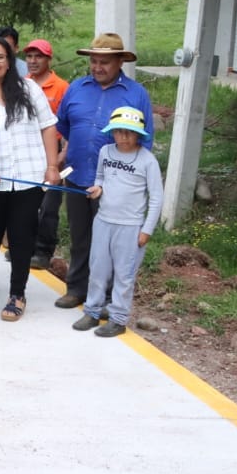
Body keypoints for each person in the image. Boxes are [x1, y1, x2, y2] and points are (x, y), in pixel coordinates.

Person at [55, 33, 154, 310]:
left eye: (105, 63)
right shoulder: (76, 88)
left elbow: (145, 142)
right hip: (76, 177)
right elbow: (63, 126)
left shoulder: (135, 94)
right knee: (79, 237)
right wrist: (60, 156)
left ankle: (109, 297)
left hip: (114, 184)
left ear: (120, 61)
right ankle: (76, 288)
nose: (97, 67)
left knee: (110, 244)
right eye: (94, 61)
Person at [0, 37, 59, 322]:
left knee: (22, 238)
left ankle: (17, 293)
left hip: (29, 178)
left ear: (9, 61)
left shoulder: (29, 89)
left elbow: (48, 126)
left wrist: (52, 165)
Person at [71, 107, 164, 337]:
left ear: (139, 135)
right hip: (103, 221)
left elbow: (156, 197)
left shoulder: (147, 161)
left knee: (124, 274)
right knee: (98, 269)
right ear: (112, 132)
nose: (123, 137)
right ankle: (92, 311)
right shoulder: (106, 151)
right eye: (118, 132)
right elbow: (101, 177)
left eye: (129, 133)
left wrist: (147, 230)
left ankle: (118, 318)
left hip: (130, 226)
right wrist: (98, 188)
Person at [23, 39, 70, 270]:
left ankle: (43, 252)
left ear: (48, 59)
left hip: (54, 151)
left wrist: (61, 155)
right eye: (29, 57)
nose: (32, 61)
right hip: (28, 151)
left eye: (38, 56)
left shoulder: (61, 87)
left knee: (50, 205)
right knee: (27, 203)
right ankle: (26, 247)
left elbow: (68, 123)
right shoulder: (22, 84)